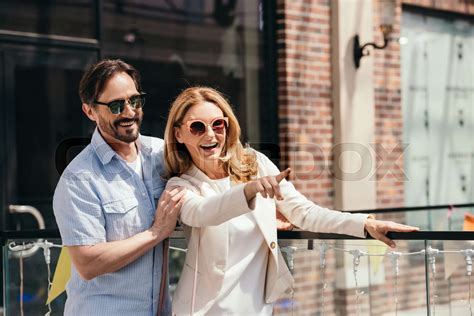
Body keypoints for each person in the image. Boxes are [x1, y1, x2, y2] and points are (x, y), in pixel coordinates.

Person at [163, 86, 419, 315]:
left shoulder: (255, 163)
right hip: (204, 309)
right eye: (197, 127)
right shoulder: (181, 185)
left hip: (256, 306)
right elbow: (204, 212)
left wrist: (365, 224)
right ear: (178, 134)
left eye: (218, 124)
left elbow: (304, 212)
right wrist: (248, 191)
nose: (210, 135)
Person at [53, 59, 185, 315]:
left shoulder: (160, 154)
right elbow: (88, 263)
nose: (129, 112)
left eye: (135, 101)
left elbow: (211, 182)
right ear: (90, 111)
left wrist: (268, 209)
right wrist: (156, 232)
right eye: (116, 105)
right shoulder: (79, 179)